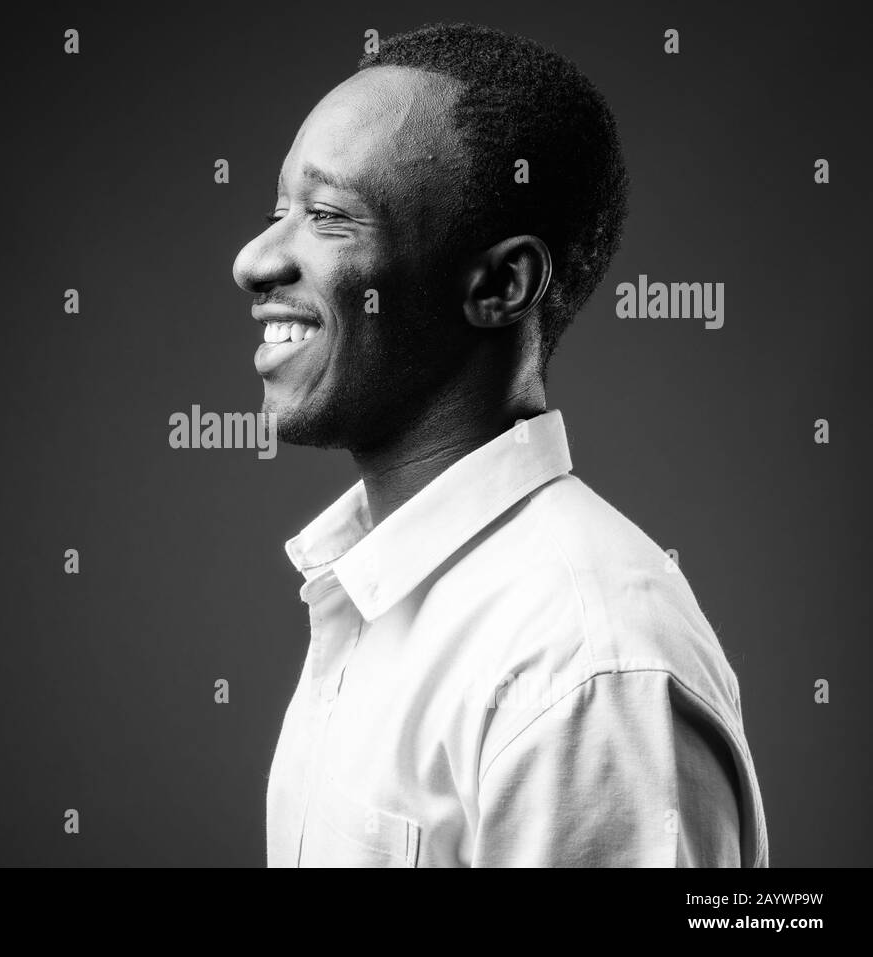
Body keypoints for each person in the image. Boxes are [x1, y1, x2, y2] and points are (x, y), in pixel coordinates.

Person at [232, 21, 768, 867]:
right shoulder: (370, 595)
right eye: (277, 211)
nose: (255, 259)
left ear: (501, 284)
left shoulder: (586, 662)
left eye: (329, 216)